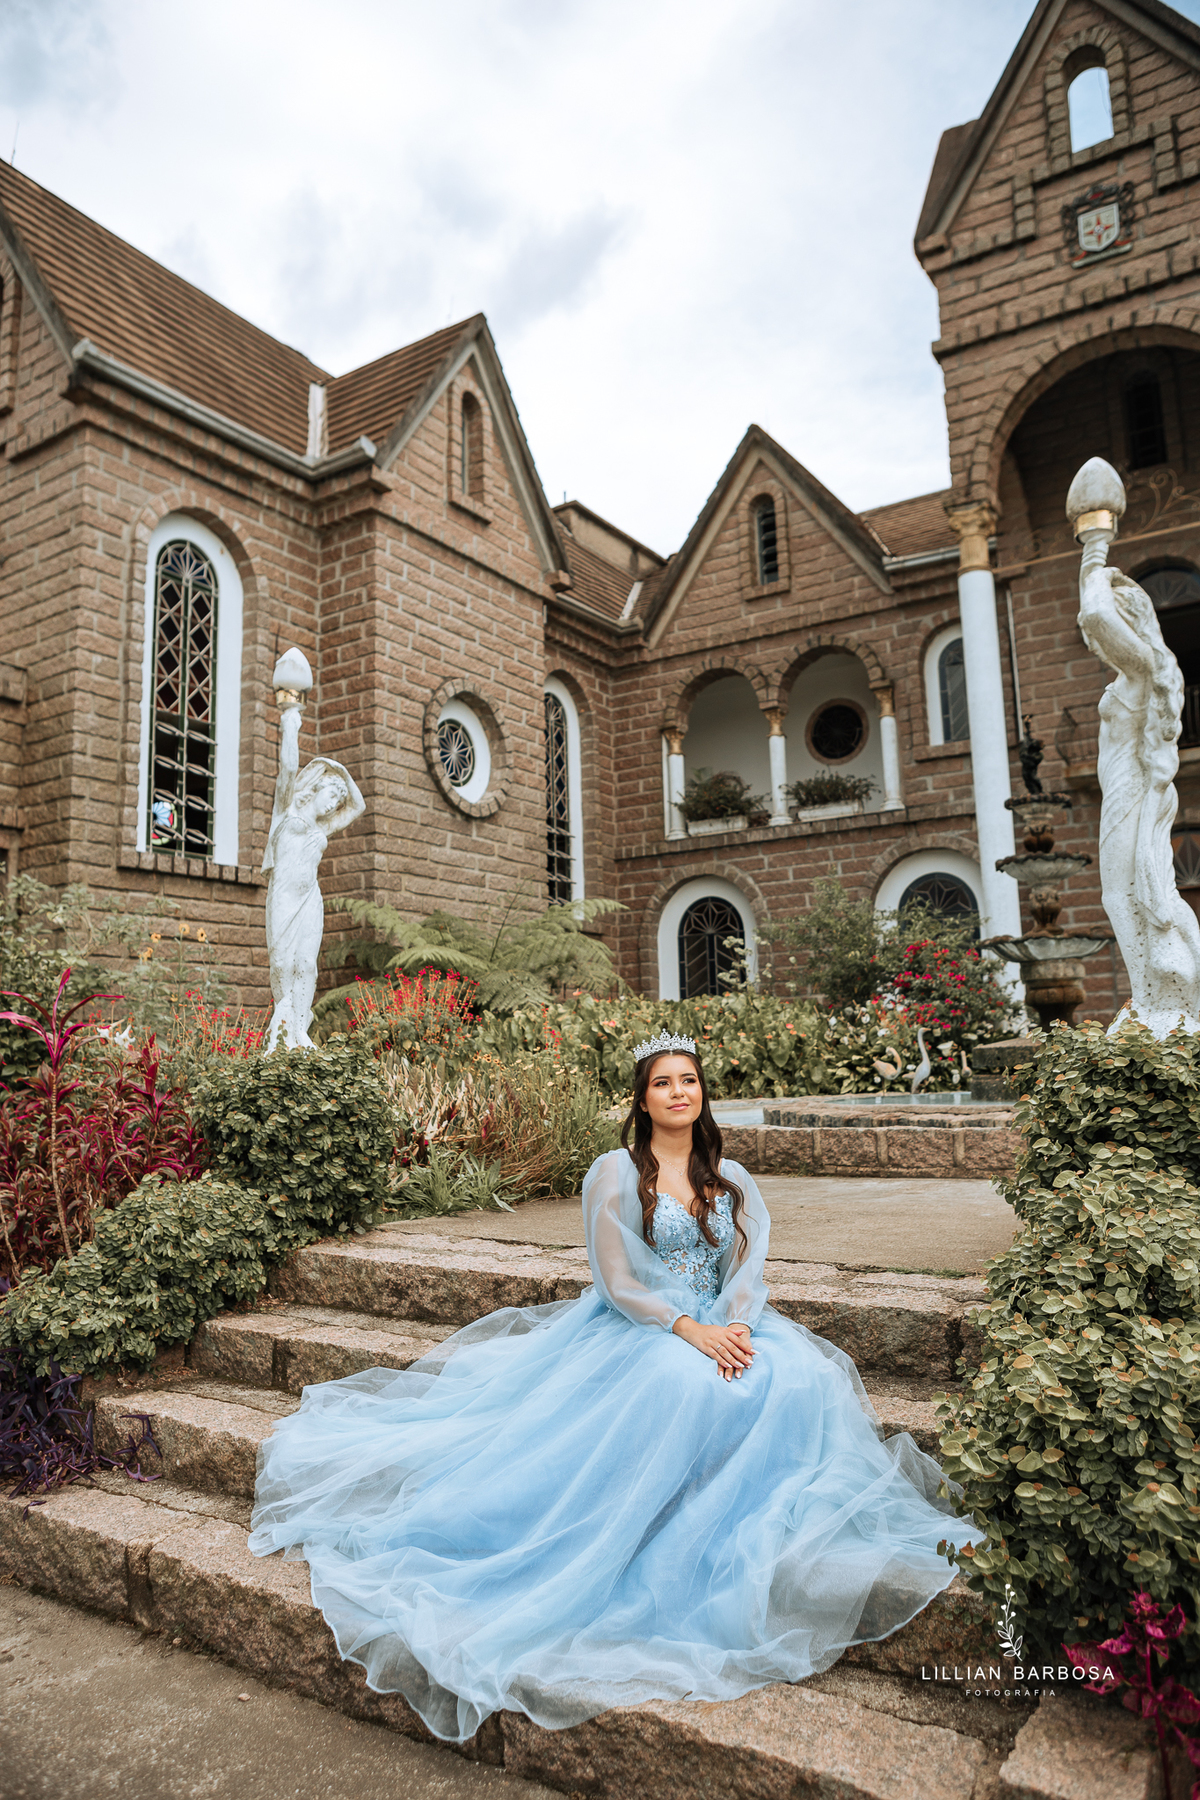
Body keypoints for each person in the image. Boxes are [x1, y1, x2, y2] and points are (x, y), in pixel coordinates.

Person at [249, 1031, 981, 1742]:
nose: (677, 1093)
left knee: (800, 1376)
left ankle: (736, 1521)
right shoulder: (614, 1170)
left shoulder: (730, 1175)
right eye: (663, 1082)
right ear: (641, 1097)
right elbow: (618, 1280)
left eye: (688, 1080)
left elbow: (750, 1269)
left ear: (703, 1092)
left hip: (726, 1324)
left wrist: (738, 1328)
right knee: (682, 1384)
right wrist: (690, 1331)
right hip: (644, 1328)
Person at [263, 701, 364, 1051]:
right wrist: (290, 722)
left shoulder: (325, 827)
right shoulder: (286, 808)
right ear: (316, 787)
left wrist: (338, 772)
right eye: (330, 796)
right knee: (281, 964)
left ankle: (299, 1030)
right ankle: (282, 1027)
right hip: (284, 897)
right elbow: (289, 768)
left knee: (307, 964)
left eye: (337, 802)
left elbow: (359, 806)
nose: (333, 806)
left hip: (309, 899)